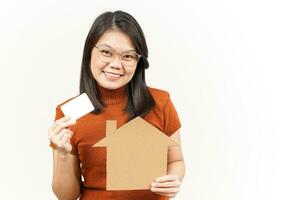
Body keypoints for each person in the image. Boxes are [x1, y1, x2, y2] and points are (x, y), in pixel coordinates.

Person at [48, 10, 185, 200]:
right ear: (89, 52)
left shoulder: (160, 102)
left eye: (128, 56)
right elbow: (67, 196)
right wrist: (62, 154)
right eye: (106, 52)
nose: (115, 64)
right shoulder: (70, 112)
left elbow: (176, 161)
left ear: (139, 61)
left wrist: (173, 179)